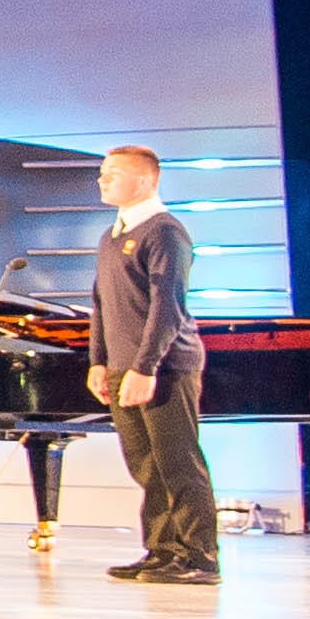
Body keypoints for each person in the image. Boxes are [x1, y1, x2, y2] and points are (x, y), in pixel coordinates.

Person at [92, 144, 217, 584]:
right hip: (123, 365)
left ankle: (201, 557)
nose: (102, 180)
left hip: (164, 366)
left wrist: (145, 367)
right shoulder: (111, 235)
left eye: (113, 173)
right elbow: (101, 304)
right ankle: (163, 550)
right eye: (102, 173)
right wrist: (99, 361)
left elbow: (168, 306)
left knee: (178, 461)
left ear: (144, 180)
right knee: (146, 464)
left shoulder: (164, 232)